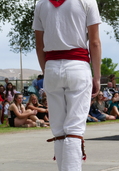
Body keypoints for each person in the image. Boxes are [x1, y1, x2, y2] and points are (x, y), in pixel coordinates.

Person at [33, 0, 101, 170]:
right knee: (75, 128)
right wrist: (97, 77)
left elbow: (39, 45)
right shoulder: (87, 1)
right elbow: (94, 42)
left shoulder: (41, 4)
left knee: (58, 128)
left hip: (52, 67)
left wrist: (47, 70)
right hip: (78, 66)